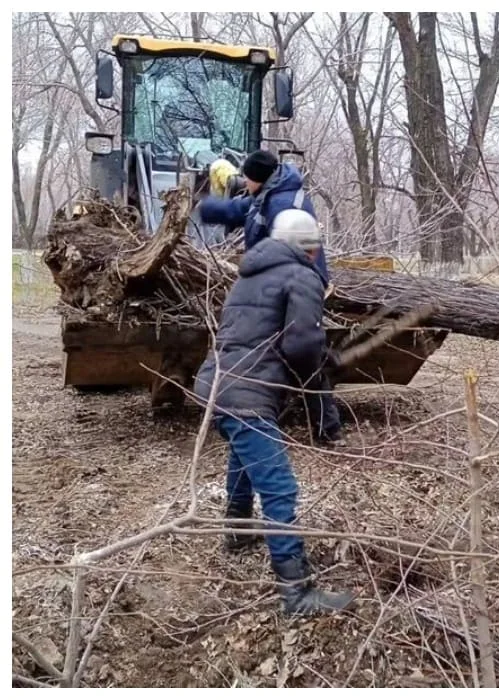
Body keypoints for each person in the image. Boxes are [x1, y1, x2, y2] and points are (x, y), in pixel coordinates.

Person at [193, 209, 354, 617]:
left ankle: (237, 531)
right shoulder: (302, 277)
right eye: (316, 244)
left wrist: (316, 358)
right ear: (308, 246)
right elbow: (302, 345)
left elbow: (260, 334)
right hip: (246, 391)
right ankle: (296, 592)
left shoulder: (249, 273)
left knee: (245, 457)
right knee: (280, 486)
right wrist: (321, 366)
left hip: (215, 385)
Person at [200, 150, 343, 446]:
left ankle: (326, 428)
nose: (245, 184)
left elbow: (293, 253)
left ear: (259, 179)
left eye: (248, 179)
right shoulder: (269, 193)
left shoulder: (283, 206)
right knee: (280, 348)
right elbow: (240, 210)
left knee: (304, 352)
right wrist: (200, 207)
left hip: (298, 281)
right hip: (277, 280)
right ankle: (261, 414)